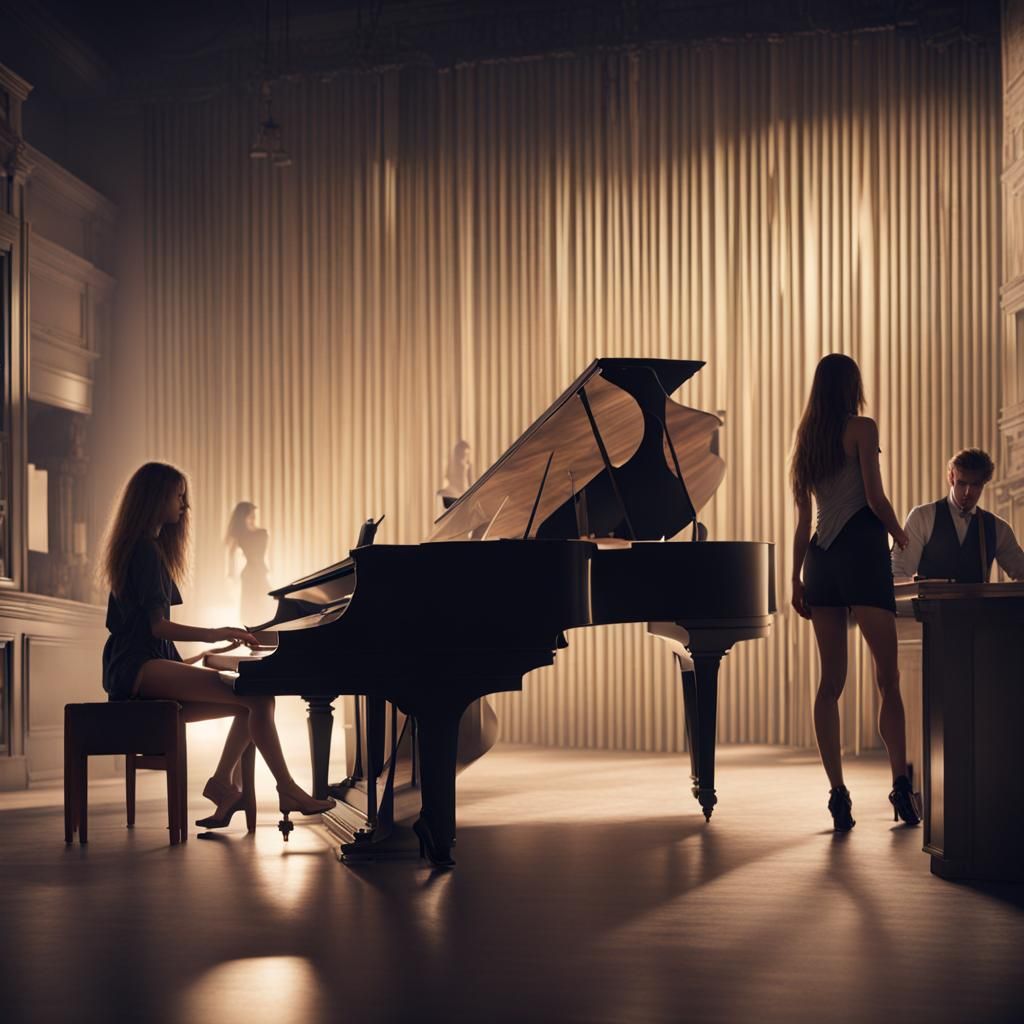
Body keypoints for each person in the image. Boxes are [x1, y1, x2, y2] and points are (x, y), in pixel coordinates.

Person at [100, 462, 334, 831]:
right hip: (136, 666)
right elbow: (157, 627)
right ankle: (284, 789)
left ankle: (224, 784)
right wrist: (215, 633)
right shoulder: (144, 550)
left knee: (253, 702)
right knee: (255, 697)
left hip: (143, 661)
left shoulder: (145, 547)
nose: (184, 505)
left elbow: (150, 633)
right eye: (178, 496)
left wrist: (207, 652)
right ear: (154, 497)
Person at [790, 354, 919, 831]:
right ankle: (901, 788)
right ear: (852, 385)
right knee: (888, 680)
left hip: (821, 562)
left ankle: (838, 795)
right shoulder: (863, 427)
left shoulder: (805, 441)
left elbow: (803, 522)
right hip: (863, 555)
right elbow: (874, 495)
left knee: (830, 684)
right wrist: (899, 534)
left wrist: (794, 578)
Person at [892, 447, 1024, 582]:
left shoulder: (998, 527)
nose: (968, 492)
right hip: (931, 603)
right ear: (951, 478)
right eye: (962, 483)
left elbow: (1021, 572)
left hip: (978, 603)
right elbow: (900, 573)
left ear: (984, 483)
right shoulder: (922, 517)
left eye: (975, 485)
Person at [225, 500, 272, 625]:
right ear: (243, 518)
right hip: (250, 574)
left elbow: (267, 555)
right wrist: (231, 574)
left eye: (254, 516)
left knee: (264, 605)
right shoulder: (240, 536)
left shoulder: (263, 533)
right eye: (250, 516)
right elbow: (230, 555)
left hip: (260, 572)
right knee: (251, 607)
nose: (253, 519)